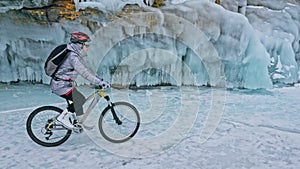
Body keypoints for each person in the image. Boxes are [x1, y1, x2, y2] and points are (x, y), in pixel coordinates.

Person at [50, 31, 109, 132]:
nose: (87, 48)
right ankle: (62, 118)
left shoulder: (75, 55)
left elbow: (88, 70)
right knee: (80, 100)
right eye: (86, 45)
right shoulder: (73, 58)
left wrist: (98, 79)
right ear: (79, 45)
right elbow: (85, 73)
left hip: (64, 84)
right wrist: (98, 82)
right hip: (60, 86)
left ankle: (80, 122)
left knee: (78, 100)